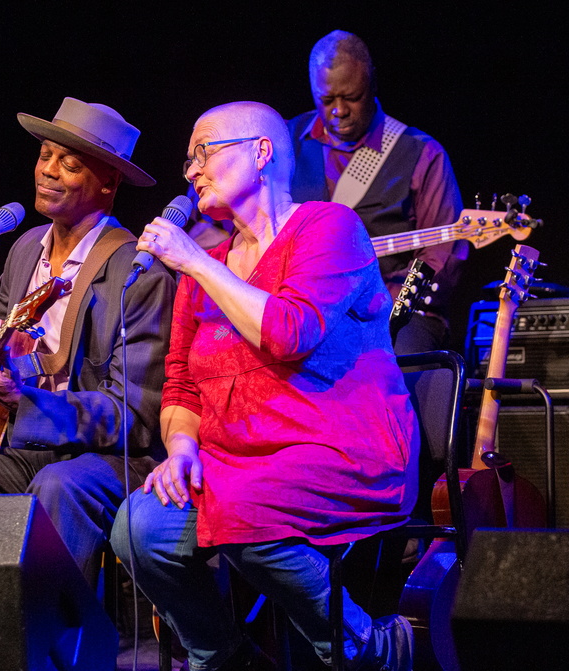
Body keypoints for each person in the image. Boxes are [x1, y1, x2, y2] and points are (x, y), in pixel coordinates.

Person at [110, 102, 420, 671]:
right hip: (235, 462)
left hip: (336, 449)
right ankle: (224, 657)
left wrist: (196, 263)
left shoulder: (329, 228)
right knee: (140, 527)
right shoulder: (206, 267)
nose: (191, 170)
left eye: (204, 152)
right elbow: (180, 384)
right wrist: (181, 449)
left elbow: (289, 332)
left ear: (261, 152)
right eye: (188, 160)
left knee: (246, 511)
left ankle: (367, 648)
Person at [0, 97, 175, 587]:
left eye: (70, 164)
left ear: (108, 182)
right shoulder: (28, 248)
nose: (48, 171)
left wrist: (24, 404)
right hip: (23, 447)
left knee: (59, 484)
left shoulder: (139, 273)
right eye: (45, 155)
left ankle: (49, 628)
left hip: (102, 460)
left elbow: (133, 415)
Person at [287, 30, 466, 354]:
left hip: (395, 312)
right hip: (301, 309)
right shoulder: (284, 141)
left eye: (351, 97)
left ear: (372, 84)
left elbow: (442, 253)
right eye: (326, 100)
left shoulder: (420, 152)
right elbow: (226, 224)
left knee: (391, 363)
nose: (339, 110)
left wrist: (383, 305)